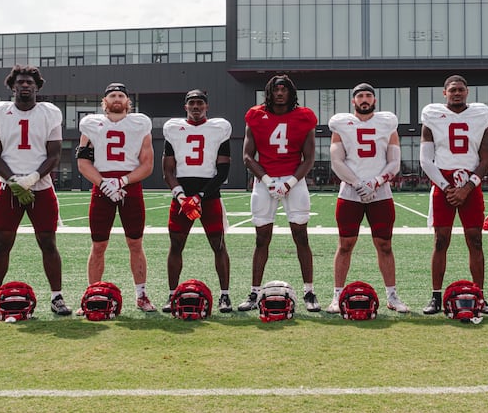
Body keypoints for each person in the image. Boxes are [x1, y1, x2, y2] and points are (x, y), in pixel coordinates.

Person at [0, 65, 70, 319]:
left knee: (48, 243)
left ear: (37, 86)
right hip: (9, 188)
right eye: (20, 82)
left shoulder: (49, 113)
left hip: (40, 187)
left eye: (30, 82)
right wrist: (14, 181)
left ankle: (56, 296)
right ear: (12, 86)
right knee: (2, 244)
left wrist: (31, 178)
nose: (25, 85)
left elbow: (54, 154)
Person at [325, 83, 409, 314]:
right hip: (350, 192)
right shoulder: (341, 124)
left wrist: (376, 181)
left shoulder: (387, 124)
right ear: (353, 101)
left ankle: (392, 296)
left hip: (380, 192)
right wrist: (358, 183)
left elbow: (394, 161)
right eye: (360, 96)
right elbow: (336, 160)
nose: (364, 99)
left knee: (385, 245)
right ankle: (337, 296)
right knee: (345, 245)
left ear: (374, 100)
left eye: (368, 96)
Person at [238, 75, 319, 312]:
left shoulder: (304, 116)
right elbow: (247, 156)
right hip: (265, 180)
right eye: (276, 89)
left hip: (294, 181)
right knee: (261, 238)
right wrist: (267, 180)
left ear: (291, 92)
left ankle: (309, 291)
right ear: (269, 92)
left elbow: (309, 158)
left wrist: (290, 182)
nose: (280, 93)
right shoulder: (255, 115)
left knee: (301, 236)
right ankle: (254, 292)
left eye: (284, 89)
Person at [419, 75, 488, 315]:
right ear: (444, 93)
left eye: (461, 90)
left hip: (470, 185)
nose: (457, 93)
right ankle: (435, 296)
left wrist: (467, 187)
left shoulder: (481, 114)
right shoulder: (432, 114)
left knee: (475, 240)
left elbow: (486, 158)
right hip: (444, 184)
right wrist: (446, 187)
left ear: (468, 92)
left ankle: (480, 295)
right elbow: (425, 159)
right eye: (452, 90)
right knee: (441, 241)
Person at [76, 82, 156, 313]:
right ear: (105, 102)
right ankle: (92, 293)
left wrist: (121, 182)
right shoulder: (91, 125)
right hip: (101, 185)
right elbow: (83, 163)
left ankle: (141, 295)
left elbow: (147, 164)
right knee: (98, 244)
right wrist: (104, 184)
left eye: (121, 95)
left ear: (128, 102)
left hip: (130, 185)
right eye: (113, 95)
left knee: (135, 242)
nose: (117, 98)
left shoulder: (140, 124)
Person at [161, 89, 233, 313]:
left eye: (200, 103)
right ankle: (172, 294)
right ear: (185, 107)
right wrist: (181, 196)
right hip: (183, 197)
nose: (195, 107)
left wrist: (200, 196)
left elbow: (223, 171)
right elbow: (168, 171)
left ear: (206, 107)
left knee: (218, 245)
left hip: (209, 196)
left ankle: (225, 295)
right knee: (176, 245)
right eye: (191, 103)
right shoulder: (173, 129)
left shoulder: (219, 128)